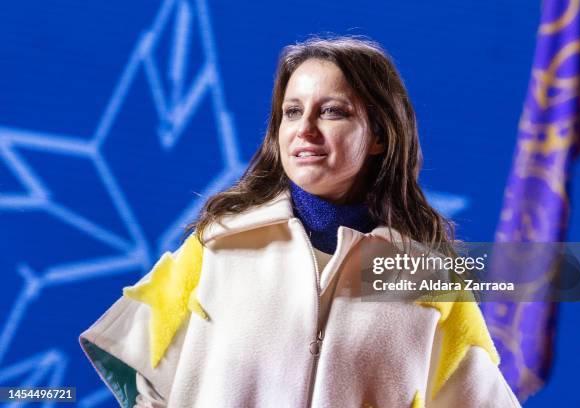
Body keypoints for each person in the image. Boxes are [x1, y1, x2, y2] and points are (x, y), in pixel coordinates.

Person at [80, 36, 521, 407]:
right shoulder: (219, 245)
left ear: (380, 136)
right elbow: (133, 364)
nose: (305, 129)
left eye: (332, 111)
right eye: (292, 112)